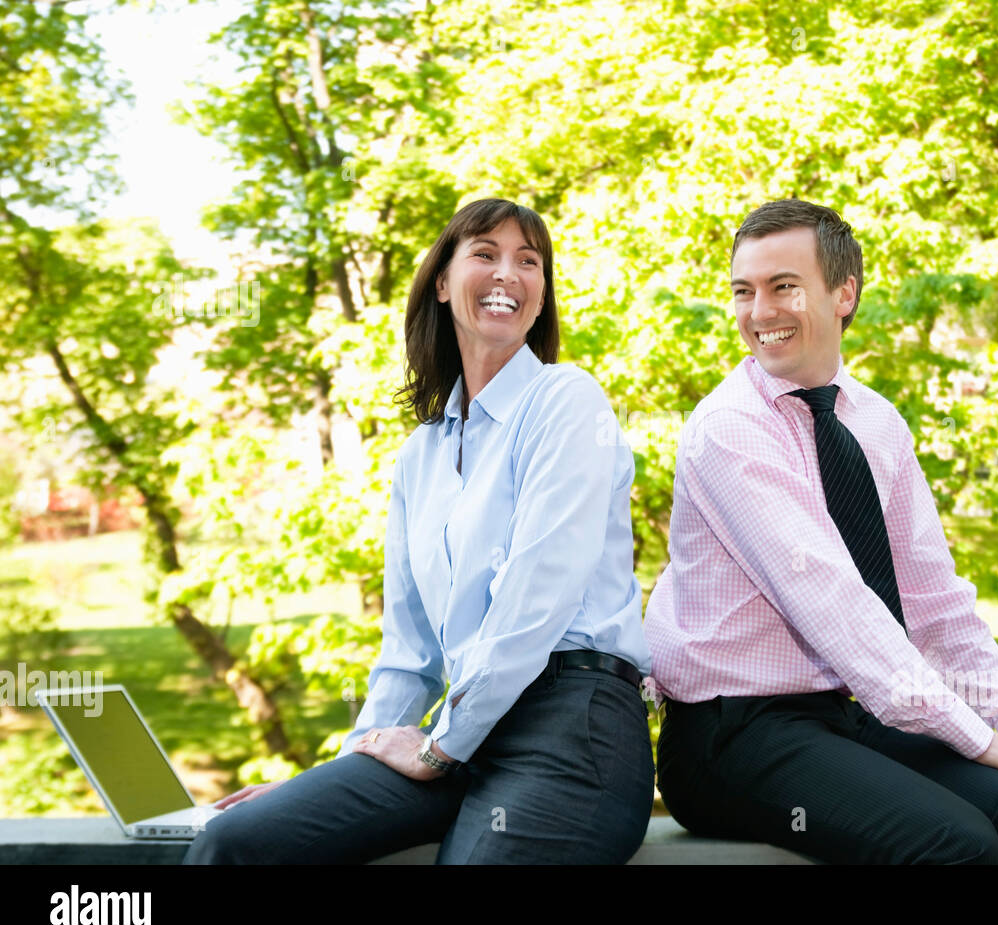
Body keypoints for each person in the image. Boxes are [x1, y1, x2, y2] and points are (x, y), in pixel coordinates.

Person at [643, 198, 998, 864]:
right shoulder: (729, 430)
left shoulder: (876, 423)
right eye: (743, 292)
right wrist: (977, 739)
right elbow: (835, 603)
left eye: (784, 286)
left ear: (845, 293)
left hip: (839, 717)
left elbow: (937, 607)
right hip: (730, 734)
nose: (759, 313)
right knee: (957, 846)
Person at [184, 198, 654, 865]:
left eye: (529, 261)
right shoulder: (421, 454)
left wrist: (442, 743)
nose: (508, 274)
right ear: (441, 281)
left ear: (543, 292)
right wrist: (337, 774)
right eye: (485, 253)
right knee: (235, 841)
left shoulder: (566, 399)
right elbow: (408, 655)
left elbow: (538, 598)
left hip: (571, 726)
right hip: (463, 734)